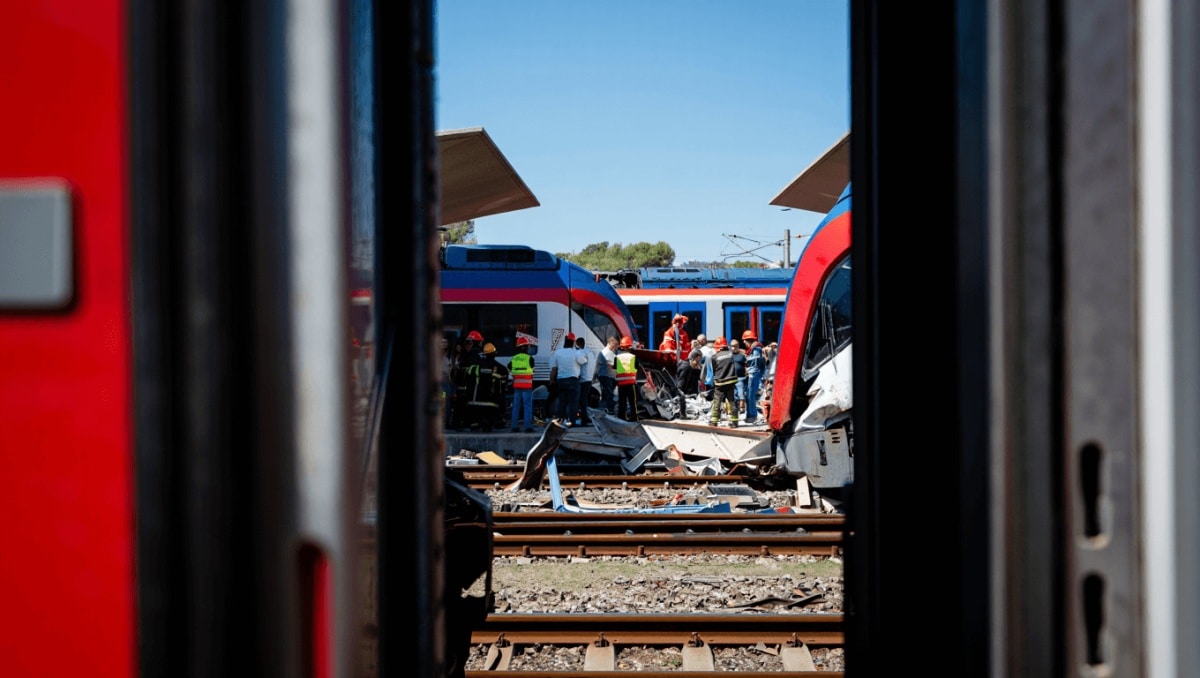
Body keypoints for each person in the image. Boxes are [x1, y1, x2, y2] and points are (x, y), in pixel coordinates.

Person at [465, 342, 508, 431]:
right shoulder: (500, 368)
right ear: (494, 353)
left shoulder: (475, 366)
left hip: (476, 400)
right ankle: (488, 423)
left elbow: (468, 378)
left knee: (475, 421)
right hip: (491, 402)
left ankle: (475, 423)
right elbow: (502, 386)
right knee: (488, 422)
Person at [549, 332, 587, 425]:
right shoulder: (576, 352)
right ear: (573, 342)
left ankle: (560, 420)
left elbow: (554, 369)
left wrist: (551, 380)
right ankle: (571, 421)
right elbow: (584, 361)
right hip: (573, 380)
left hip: (561, 380)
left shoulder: (557, 352)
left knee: (562, 401)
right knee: (573, 402)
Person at [449, 329, 484, 429]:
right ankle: (460, 423)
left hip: (463, 386)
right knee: (461, 405)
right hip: (467, 386)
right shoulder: (475, 355)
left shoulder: (465, 355)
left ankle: (461, 423)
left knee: (460, 405)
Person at [707, 336, 740, 428]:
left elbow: (714, 369)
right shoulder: (731, 354)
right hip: (731, 380)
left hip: (720, 381)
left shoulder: (714, 357)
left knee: (717, 400)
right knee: (731, 400)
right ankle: (734, 421)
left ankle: (714, 420)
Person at [508, 336, 536, 432]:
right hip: (527, 387)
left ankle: (514, 426)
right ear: (527, 347)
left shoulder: (514, 358)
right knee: (527, 407)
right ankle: (527, 427)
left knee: (516, 406)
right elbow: (532, 369)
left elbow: (509, 367)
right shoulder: (530, 358)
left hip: (517, 387)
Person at [742, 329, 766, 424]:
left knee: (751, 396)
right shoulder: (754, 348)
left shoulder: (756, 349)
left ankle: (752, 416)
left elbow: (754, 363)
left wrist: (744, 358)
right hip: (753, 375)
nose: (744, 342)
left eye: (745, 340)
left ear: (749, 340)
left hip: (754, 375)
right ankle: (751, 415)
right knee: (749, 395)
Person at [614, 335, 639, 421]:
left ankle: (621, 417)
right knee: (632, 402)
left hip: (621, 384)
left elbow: (615, 368)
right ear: (630, 347)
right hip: (630, 384)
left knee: (622, 402)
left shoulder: (617, 357)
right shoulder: (633, 357)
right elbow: (637, 368)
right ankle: (634, 417)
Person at [676, 342, 702, 419]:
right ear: (694, 358)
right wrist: (681, 392)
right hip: (685, 394)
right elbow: (681, 380)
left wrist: (698, 369)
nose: (698, 362)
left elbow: (696, 378)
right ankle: (683, 414)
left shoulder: (690, 367)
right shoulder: (686, 367)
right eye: (698, 360)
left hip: (691, 393)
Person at [574, 335, 596, 426]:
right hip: (589, 378)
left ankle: (583, 417)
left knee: (581, 399)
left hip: (583, 379)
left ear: (578, 344)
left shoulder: (581, 352)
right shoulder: (590, 352)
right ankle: (584, 417)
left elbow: (580, 362)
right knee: (585, 399)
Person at [596, 336, 619, 414]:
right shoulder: (606, 352)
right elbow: (610, 365)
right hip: (606, 376)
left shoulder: (610, 352)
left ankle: (604, 409)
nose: (615, 348)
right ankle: (610, 409)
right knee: (609, 394)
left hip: (608, 376)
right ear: (610, 343)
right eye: (615, 345)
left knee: (606, 394)